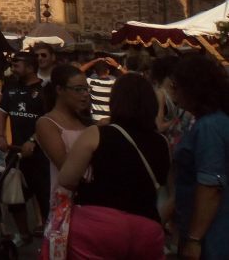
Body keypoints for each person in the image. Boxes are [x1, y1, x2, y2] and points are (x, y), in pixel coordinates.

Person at [57, 73, 170, 259]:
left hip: (98, 224)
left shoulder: (96, 134)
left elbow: (66, 178)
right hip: (147, 226)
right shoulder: (162, 143)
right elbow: (168, 189)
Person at [169, 54, 229, 259]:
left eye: (176, 86)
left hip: (212, 236)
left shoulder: (209, 127)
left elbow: (211, 186)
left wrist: (194, 239)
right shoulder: (213, 122)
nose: (174, 93)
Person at [35, 64, 92, 254]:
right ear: (59, 90)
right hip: (65, 204)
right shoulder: (47, 123)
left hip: (92, 205)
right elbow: (65, 167)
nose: (85, 94)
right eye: (78, 89)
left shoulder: (86, 122)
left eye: (86, 89)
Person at [0, 50, 46, 244]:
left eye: (17, 65)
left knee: (43, 197)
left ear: (31, 67)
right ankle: (24, 234)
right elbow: (1, 112)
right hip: (16, 154)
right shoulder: (11, 87)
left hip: (41, 155)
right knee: (14, 198)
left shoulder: (44, 91)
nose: (13, 68)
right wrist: (0, 136)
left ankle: (50, 238)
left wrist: (33, 140)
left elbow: (49, 120)